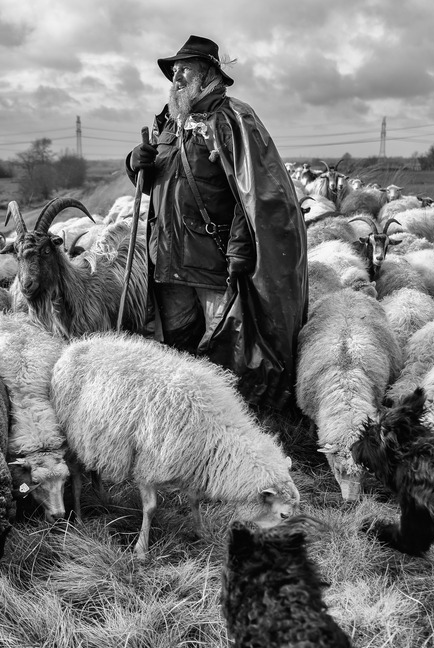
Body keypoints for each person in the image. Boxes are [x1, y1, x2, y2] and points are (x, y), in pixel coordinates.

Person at [125, 35, 308, 410]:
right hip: (168, 262)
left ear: (208, 74)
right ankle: (186, 419)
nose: (176, 77)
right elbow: (159, 181)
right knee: (178, 350)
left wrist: (240, 247)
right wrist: (135, 162)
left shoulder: (232, 120)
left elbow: (257, 193)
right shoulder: (169, 124)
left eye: (185, 69)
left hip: (213, 263)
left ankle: (233, 421)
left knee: (223, 351)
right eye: (174, 71)